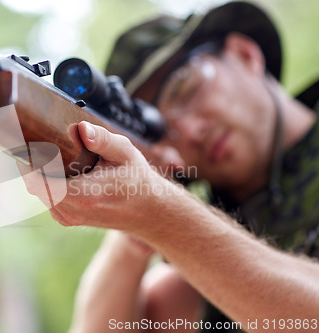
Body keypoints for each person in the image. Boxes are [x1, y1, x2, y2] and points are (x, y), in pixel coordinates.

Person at [24, 2, 319, 332]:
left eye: (187, 89)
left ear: (244, 54)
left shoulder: (199, 242)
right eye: (163, 132)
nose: (190, 133)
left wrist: (163, 215)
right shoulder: (197, 262)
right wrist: (134, 230)